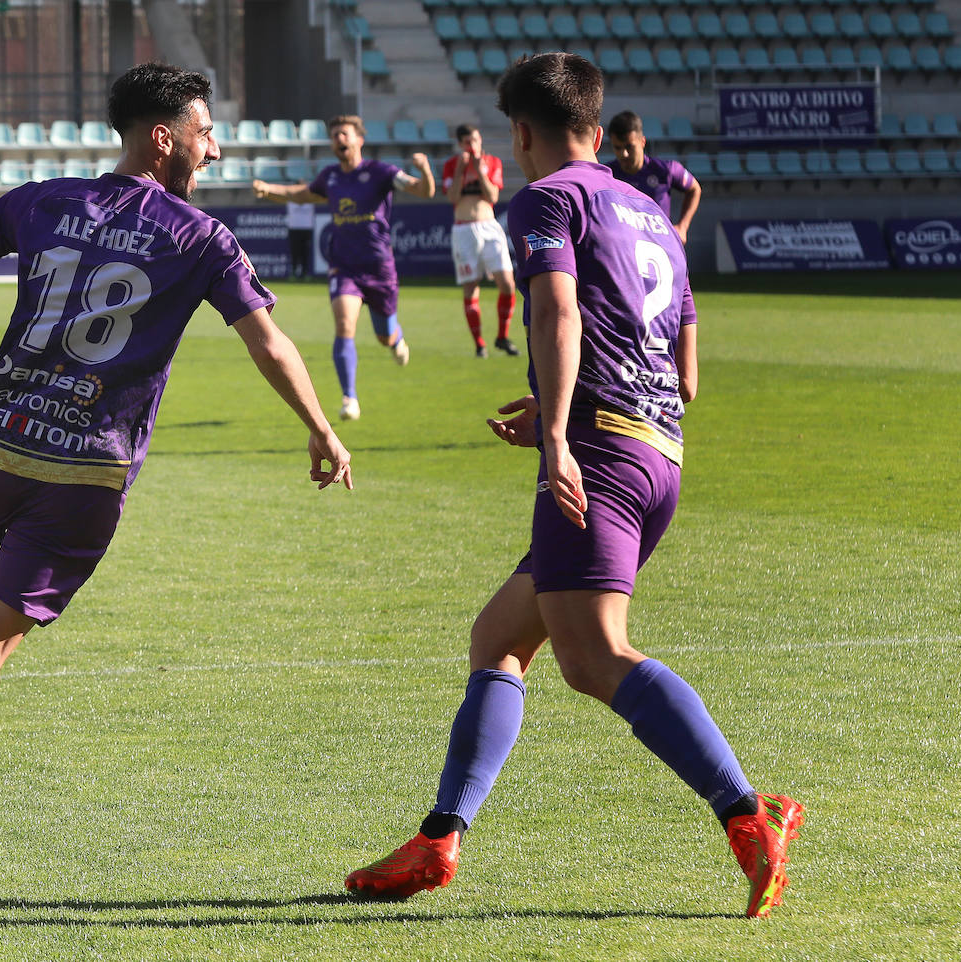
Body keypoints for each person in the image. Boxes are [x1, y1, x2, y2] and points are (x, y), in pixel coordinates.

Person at [0, 62, 353, 870]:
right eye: (205, 133)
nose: (217, 149)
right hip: (93, 467)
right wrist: (321, 428)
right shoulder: (203, 239)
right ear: (164, 139)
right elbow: (268, 339)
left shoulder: (41, 200)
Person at [343, 53, 803, 919]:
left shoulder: (550, 199)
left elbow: (556, 310)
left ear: (519, 133)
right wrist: (565, 403)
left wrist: (559, 433)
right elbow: (682, 372)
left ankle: (751, 815)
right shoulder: (655, 216)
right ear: (600, 124)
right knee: (500, 639)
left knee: (593, 657)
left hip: (599, 455)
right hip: (658, 452)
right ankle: (440, 838)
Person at [252, 116, 434, 422]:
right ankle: (350, 397)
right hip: (344, 266)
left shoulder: (381, 172)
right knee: (344, 325)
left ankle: (396, 338)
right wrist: (269, 189)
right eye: (334, 135)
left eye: (344, 134)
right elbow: (302, 194)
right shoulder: (330, 177)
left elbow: (423, 191)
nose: (339, 139)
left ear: (359, 139)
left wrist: (425, 168)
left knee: (384, 336)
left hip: (379, 268)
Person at [442, 124, 518, 359]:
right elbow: (453, 197)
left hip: (489, 226)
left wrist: (479, 169)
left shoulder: (492, 161)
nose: (472, 146)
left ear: (480, 139)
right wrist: (461, 171)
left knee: (507, 283)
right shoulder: (451, 165)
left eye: (475, 140)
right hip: (464, 229)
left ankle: (502, 336)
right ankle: (479, 344)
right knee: (470, 286)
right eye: (467, 142)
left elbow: (493, 196)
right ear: (460, 144)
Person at [606, 111, 702, 245]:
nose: (624, 154)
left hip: (661, 247)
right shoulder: (607, 175)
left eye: (629, 147)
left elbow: (694, 189)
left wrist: (683, 226)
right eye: (617, 147)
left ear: (642, 141)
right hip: (625, 251)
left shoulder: (665, 169)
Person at [285, 198, 314, 278]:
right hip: (294, 228)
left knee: (305, 252)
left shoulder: (310, 198)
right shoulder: (291, 198)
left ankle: (304, 272)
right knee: (295, 252)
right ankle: (294, 272)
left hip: (306, 228)